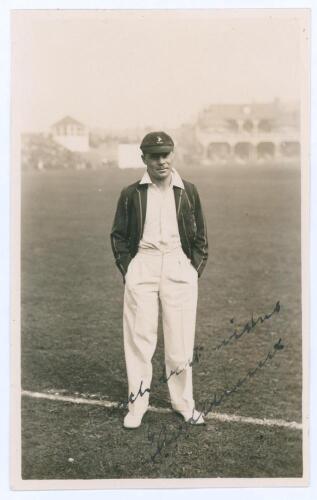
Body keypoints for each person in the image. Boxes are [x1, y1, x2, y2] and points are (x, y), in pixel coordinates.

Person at [110, 131, 208, 429]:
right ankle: (138, 405)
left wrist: (193, 269)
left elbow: (201, 236)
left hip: (179, 264)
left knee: (179, 342)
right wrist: (131, 268)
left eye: (166, 154)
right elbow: (118, 235)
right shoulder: (132, 193)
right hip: (144, 264)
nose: (161, 161)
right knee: (140, 339)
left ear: (173, 155)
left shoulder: (188, 190)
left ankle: (183, 404)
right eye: (154, 156)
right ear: (144, 159)